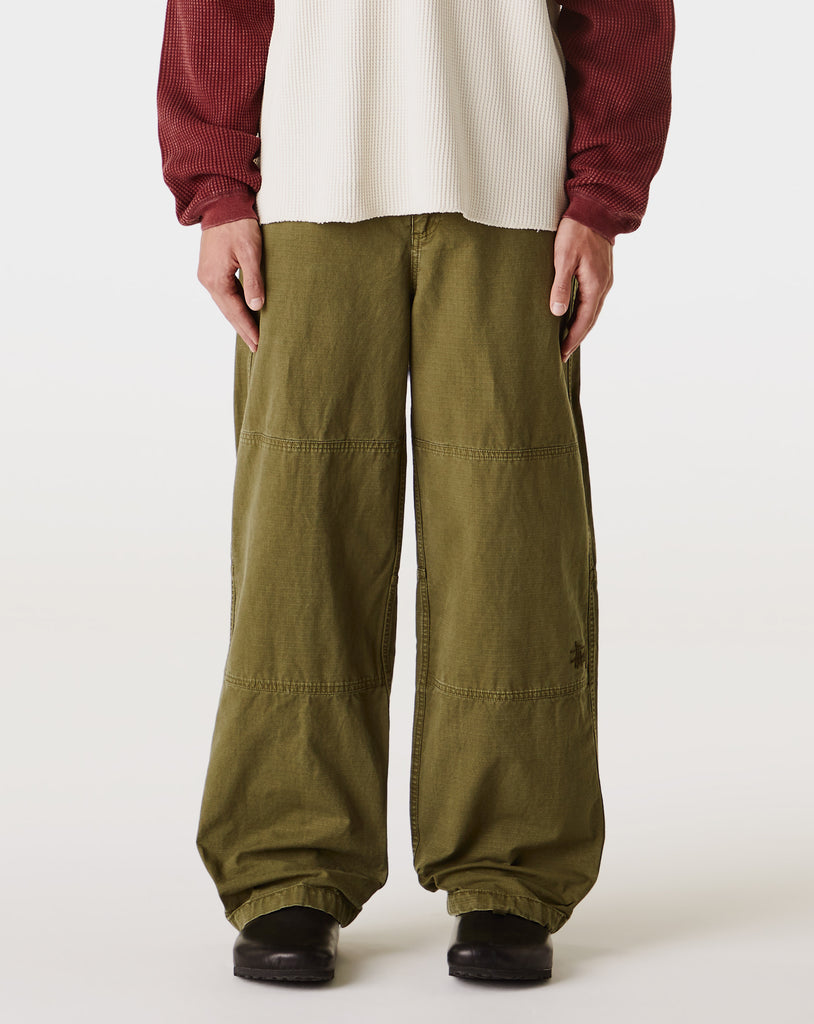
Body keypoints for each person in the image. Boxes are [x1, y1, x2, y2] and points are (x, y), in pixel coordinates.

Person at [157, 0, 674, 985]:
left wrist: (602, 193)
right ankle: (288, 862)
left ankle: (508, 867)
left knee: (512, 539)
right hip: (305, 175)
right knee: (298, 538)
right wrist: (218, 189)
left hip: (512, 178)